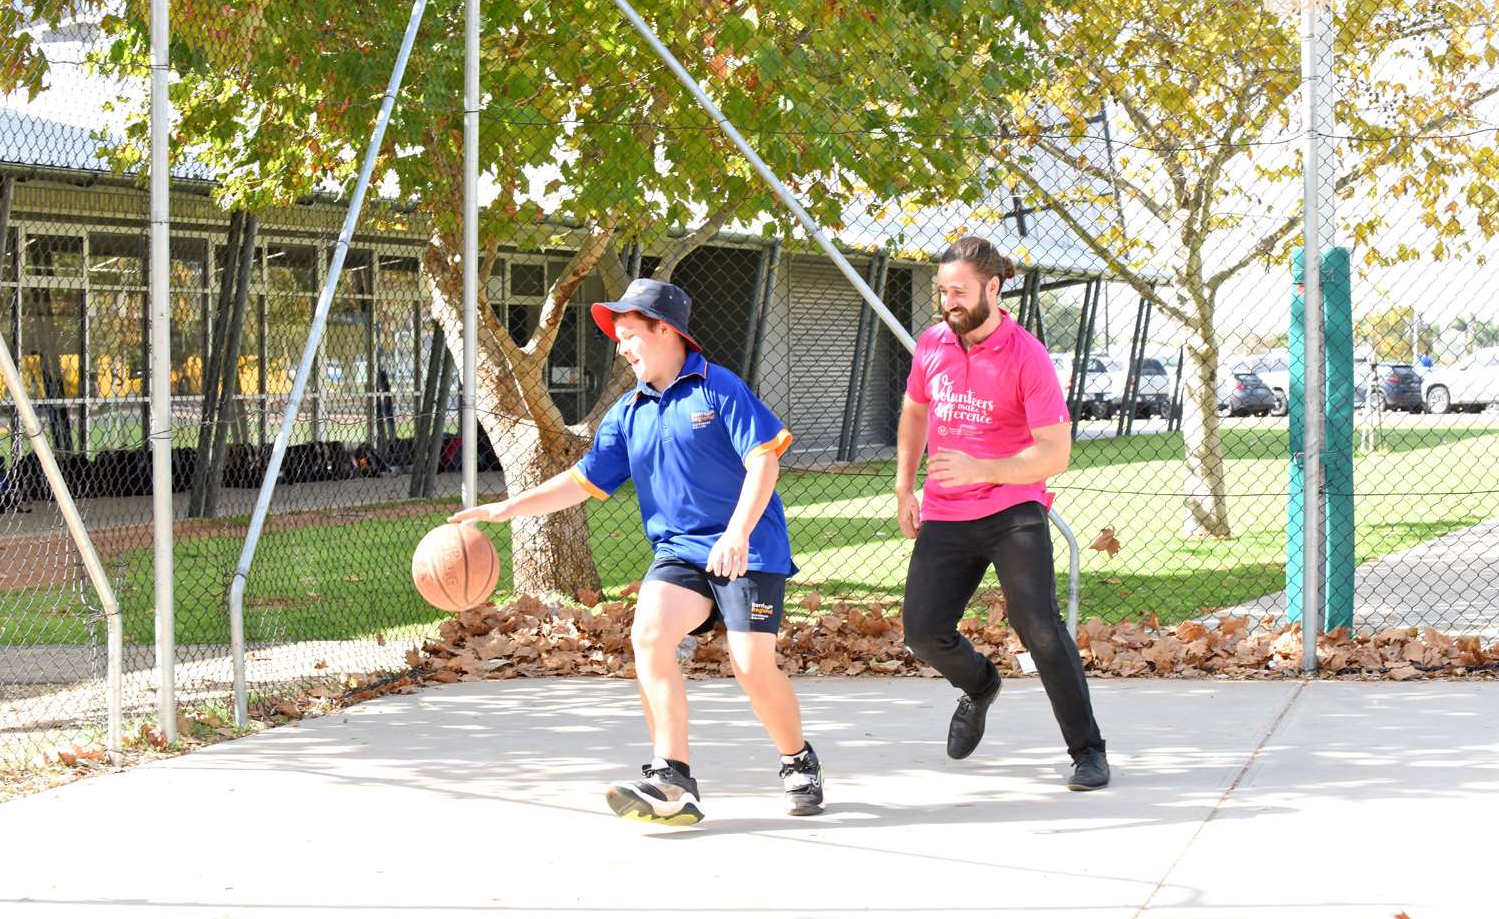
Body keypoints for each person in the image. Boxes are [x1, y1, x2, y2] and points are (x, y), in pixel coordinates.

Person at [450, 278, 823, 824]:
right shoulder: (629, 411)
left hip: (748, 548)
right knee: (648, 634)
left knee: (751, 666)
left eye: (630, 335)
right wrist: (508, 508)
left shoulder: (719, 390)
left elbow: (763, 459)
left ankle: (798, 759)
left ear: (666, 331)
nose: (622, 348)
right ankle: (672, 775)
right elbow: (583, 480)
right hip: (679, 552)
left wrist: (737, 532)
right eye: (619, 338)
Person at [895, 235, 1109, 791]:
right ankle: (981, 683)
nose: (949, 302)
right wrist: (904, 487)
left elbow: (1054, 452)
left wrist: (982, 469)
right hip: (945, 511)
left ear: (993, 287)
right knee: (921, 633)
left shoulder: (1027, 355)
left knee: (1038, 626)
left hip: (1012, 508)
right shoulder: (933, 345)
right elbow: (915, 410)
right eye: (943, 292)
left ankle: (1087, 751)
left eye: (960, 291)